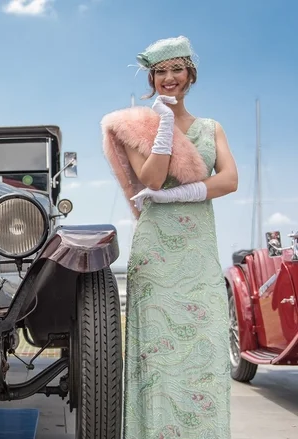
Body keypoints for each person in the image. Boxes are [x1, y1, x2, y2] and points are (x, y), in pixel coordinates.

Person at [101, 36, 238, 438]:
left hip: (199, 251)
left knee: (205, 347)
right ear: (152, 78)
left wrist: (187, 192)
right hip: (158, 253)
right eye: (160, 71)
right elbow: (153, 178)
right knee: (158, 357)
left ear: (190, 74)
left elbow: (229, 179)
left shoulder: (212, 128)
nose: (169, 78)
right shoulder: (135, 124)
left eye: (176, 69)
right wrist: (162, 124)